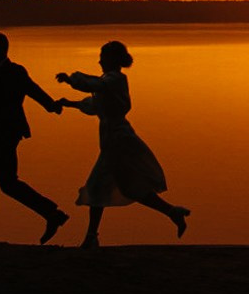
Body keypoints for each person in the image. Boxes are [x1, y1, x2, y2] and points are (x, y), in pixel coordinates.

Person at [58, 40, 189, 246]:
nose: (99, 61)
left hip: (118, 140)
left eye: (102, 57)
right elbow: (96, 104)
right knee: (129, 187)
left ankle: (91, 237)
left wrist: (70, 79)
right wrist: (70, 103)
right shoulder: (108, 81)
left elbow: (95, 85)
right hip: (113, 139)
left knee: (97, 186)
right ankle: (172, 212)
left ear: (111, 59)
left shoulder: (116, 80)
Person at [0, 31, 71, 243]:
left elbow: (32, 89)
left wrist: (51, 105)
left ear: (0, 50)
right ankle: (52, 214)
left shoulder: (15, 71)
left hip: (6, 135)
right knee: (8, 184)